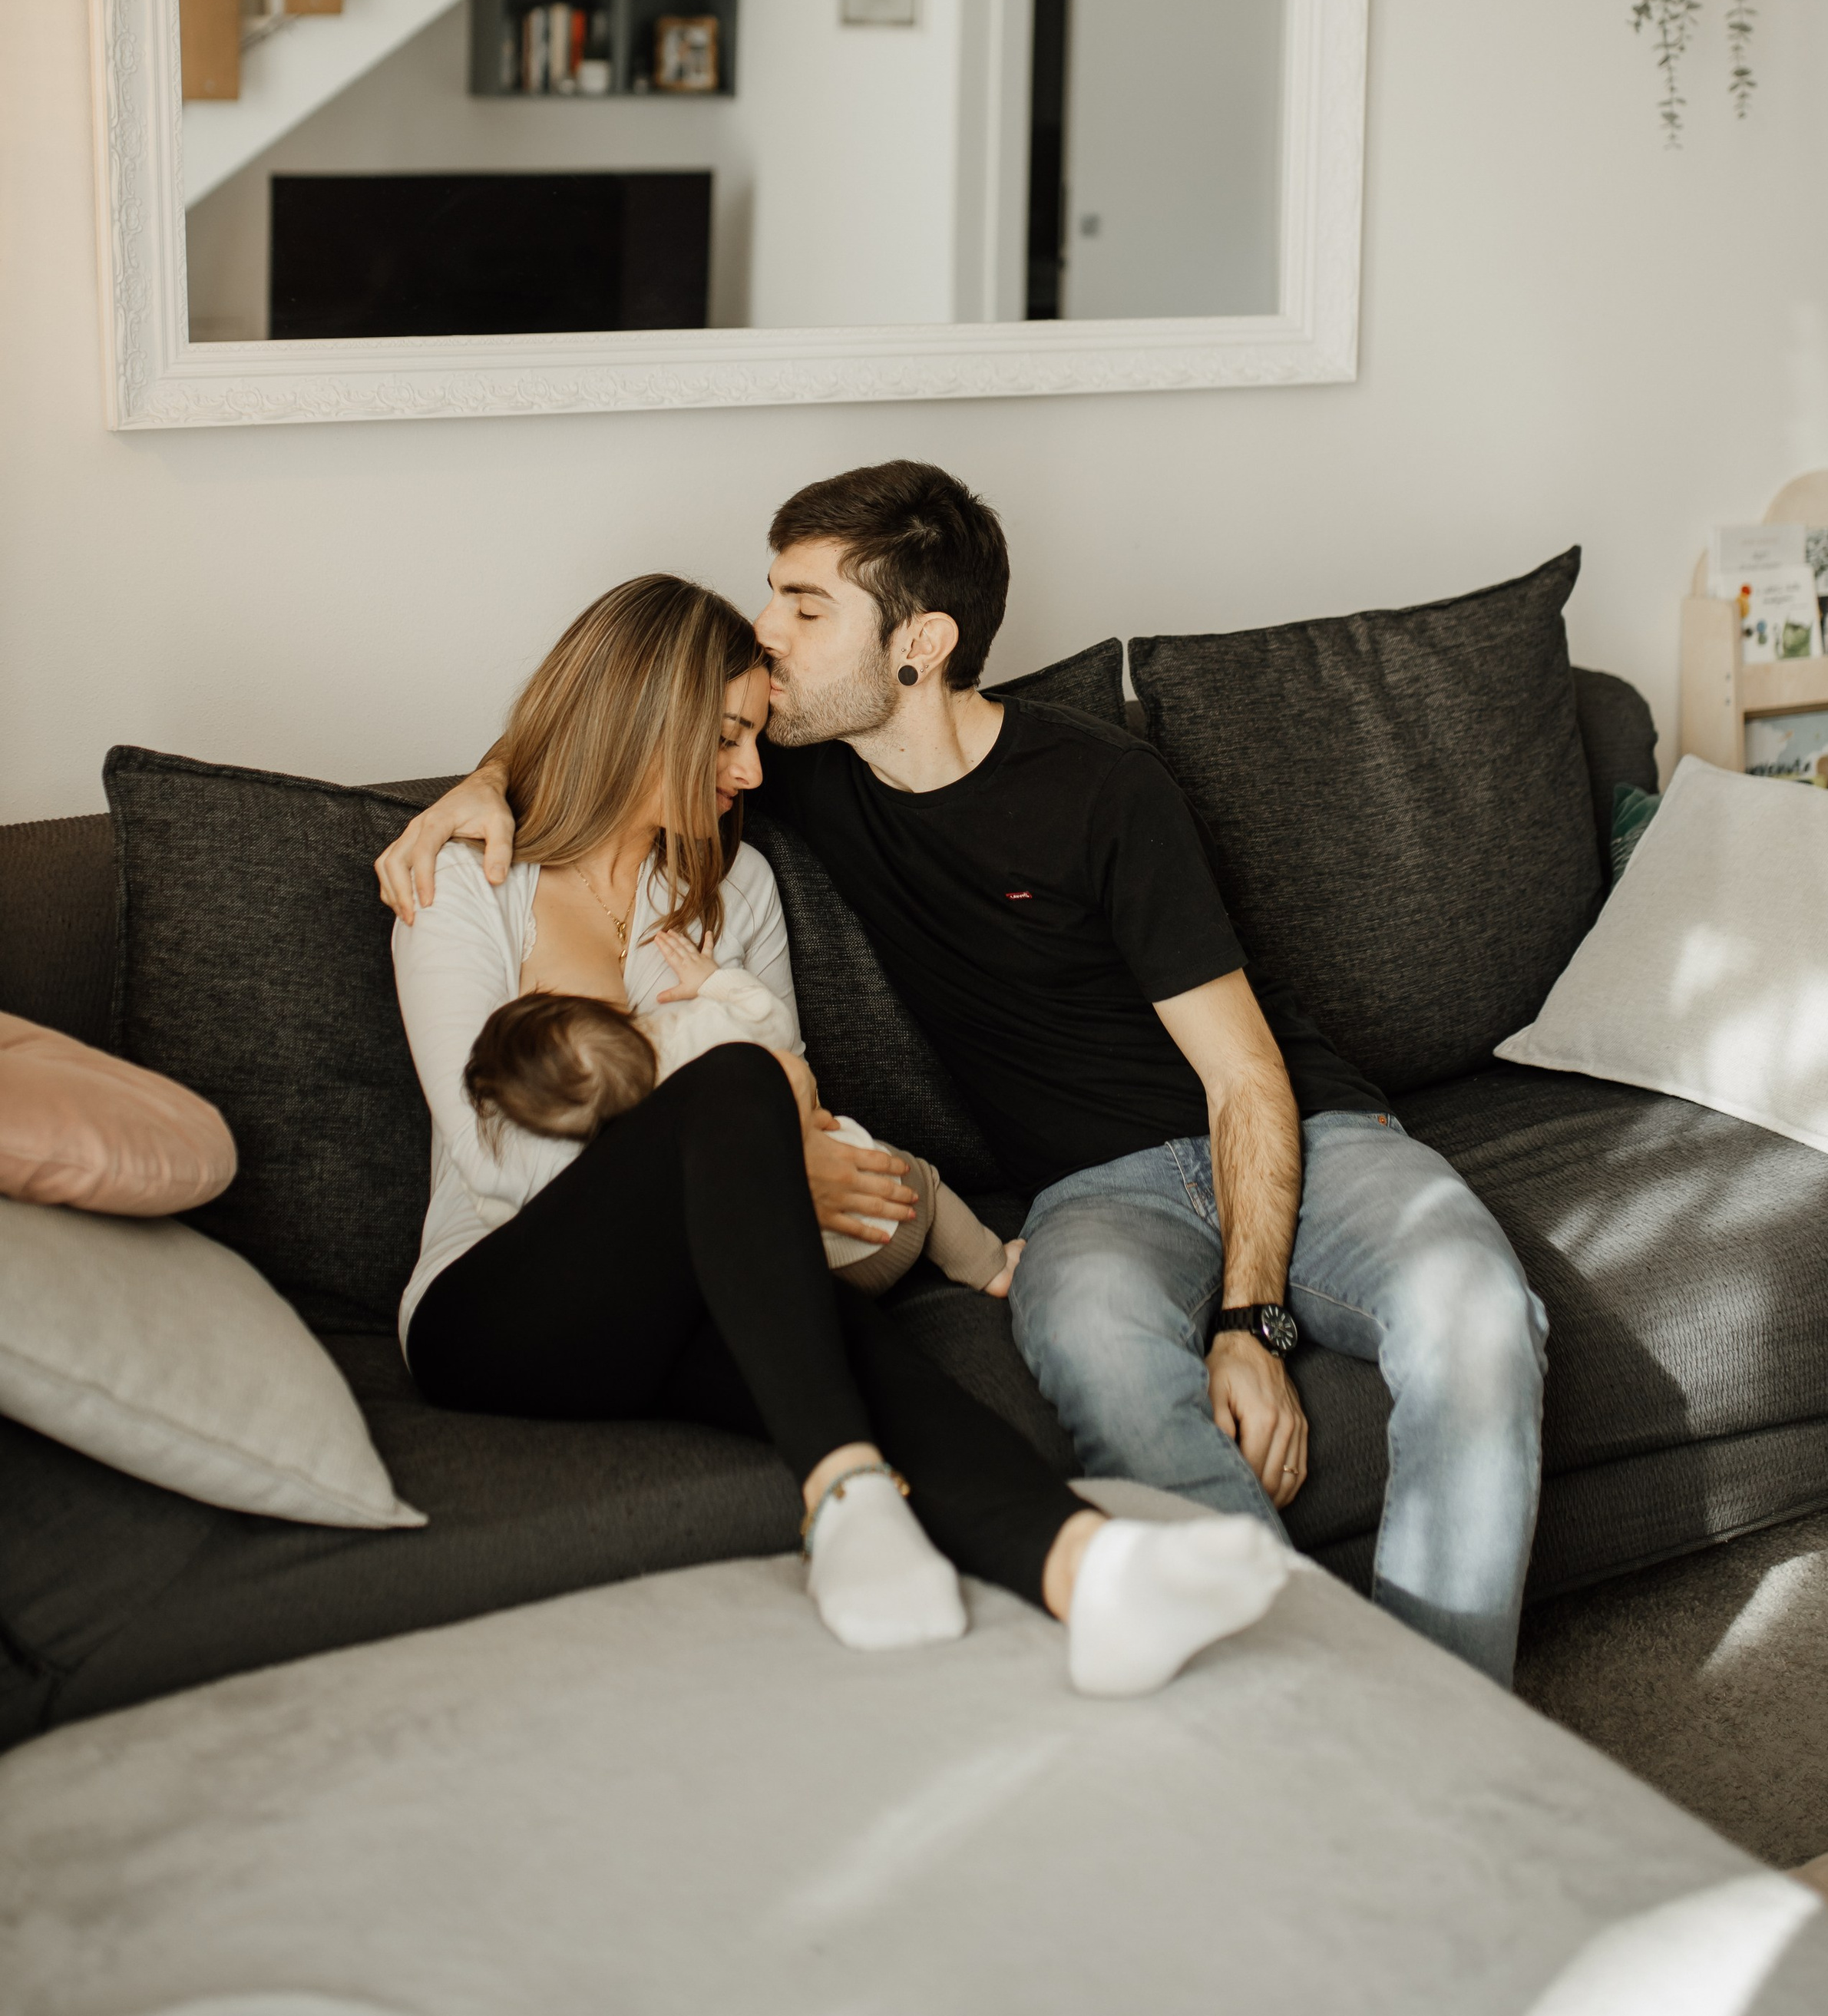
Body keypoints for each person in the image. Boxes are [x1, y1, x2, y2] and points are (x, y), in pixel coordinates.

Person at [378, 469, 1547, 1686]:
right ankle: (1259, 1673)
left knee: (1470, 1311)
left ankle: (1363, 1679)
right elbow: (607, 760)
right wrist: (483, 784)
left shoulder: (1027, 804)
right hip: (559, 1283)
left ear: (919, 646)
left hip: (1278, 1130)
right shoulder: (623, 832)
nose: (767, 641)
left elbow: (1238, 1076)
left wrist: (1253, 1324)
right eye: (769, 604)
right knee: (1066, 1335)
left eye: (804, 607)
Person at [461, 934, 1022, 1296]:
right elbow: (771, 1022)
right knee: (921, 1175)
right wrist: (713, 983)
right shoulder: (691, 1030)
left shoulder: (614, 1154)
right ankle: (990, 1268)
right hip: (894, 1212)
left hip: (825, 1272)